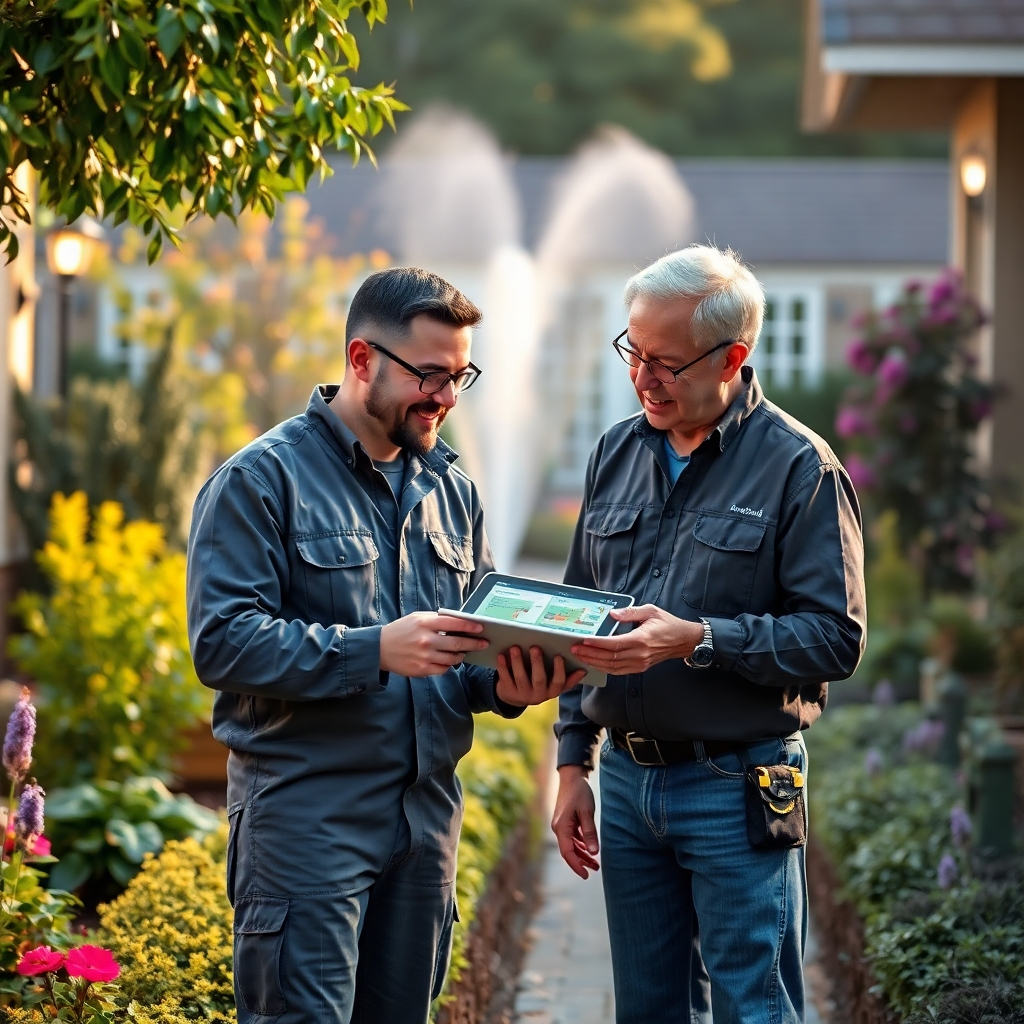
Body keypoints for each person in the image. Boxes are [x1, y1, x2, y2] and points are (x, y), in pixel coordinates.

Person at [187, 267, 582, 1024]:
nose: (447, 397)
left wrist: (509, 683)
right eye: (430, 374)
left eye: (461, 375)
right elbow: (224, 643)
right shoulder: (261, 480)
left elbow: (467, 653)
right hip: (307, 822)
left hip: (427, 822)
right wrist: (372, 649)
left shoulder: (453, 490)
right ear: (362, 360)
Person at [551, 245, 866, 1024]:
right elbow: (577, 616)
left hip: (739, 786)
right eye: (633, 350)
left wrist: (696, 638)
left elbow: (836, 639)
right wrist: (570, 765)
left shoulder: (802, 469)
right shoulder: (613, 453)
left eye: (666, 362)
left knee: (755, 1010)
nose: (642, 377)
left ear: (735, 355)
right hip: (624, 786)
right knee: (647, 1013)